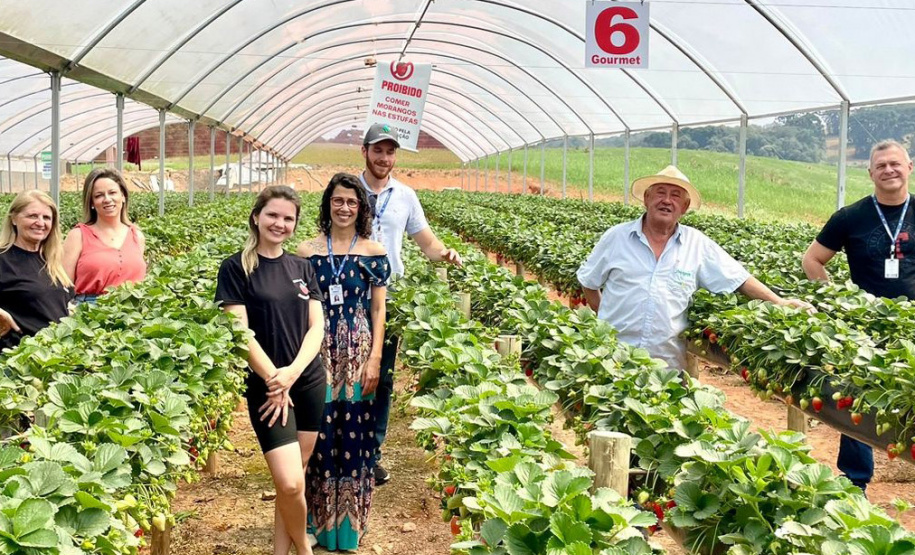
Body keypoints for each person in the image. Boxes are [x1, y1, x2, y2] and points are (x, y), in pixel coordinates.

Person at [577, 165, 811, 371]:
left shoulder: (697, 244)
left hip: (666, 367)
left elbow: (738, 278)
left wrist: (779, 302)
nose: (667, 200)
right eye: (660, 192)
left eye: (676, 196)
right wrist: (608, 319)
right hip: (612, 360)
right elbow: (589, 282)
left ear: (685, 207)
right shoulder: (616, 237)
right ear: (647, 199)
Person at [215, 186, 325, 555]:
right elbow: (239, 332)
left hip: (307, 379)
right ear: (256, 217)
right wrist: (275, 379)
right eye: (273, 215)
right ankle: (305, 552)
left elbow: (317, 328)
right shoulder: (236, 268)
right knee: (291, 483)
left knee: (299, 472)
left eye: (288, 218)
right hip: (266, 385)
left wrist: (292, 373)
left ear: (295, 224)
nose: (280, 223)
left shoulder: (302, 267)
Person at [802, 139, 915, 494]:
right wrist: (837, 300)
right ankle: (855, 482)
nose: (889, 170)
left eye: (895, 163)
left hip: (912, 325)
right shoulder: (851, 217)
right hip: (864, 327)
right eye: (881, 166)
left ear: (909, 167)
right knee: (858, 398)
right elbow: (812, 260)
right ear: (870, 173)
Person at [357, 123, 461, 484]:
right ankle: (344, 449)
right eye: (378, 150)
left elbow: (426, 241)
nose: (384, 158)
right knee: (345, 374)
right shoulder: (346, 189)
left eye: (390, 152)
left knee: (381, 378)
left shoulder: (405, 196)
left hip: (390, 298)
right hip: (349, 296)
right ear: (365, 152)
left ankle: (371, 455)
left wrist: (444, 253)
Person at [296, 173, 390, 551]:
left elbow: (379, 309)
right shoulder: (306, 252)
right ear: (327, 204)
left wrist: (375, 358)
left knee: (355, 431)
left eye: (352, 202)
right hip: (318, 345)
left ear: (361, 208)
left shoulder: (373, 251)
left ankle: (349, 525)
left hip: (356, 349)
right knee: (318, 432)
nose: (345, 208)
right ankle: (315, 523)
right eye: (338, 200)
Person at [0, 190, 72, 349]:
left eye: (46, 217)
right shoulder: (3, 258)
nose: (40, 223)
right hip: (18, 361)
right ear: (13, 219)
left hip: (57, 357)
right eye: (32, 216)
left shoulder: (51, 260)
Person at [62, 168, 146, 303]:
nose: (107, 199)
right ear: (91, 203)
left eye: (112, 192)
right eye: (99, 195)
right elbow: (63, 287)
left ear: (123, 196)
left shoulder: (137, 236)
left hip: (133, 313)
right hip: (90, 313)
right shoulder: (77, 236)